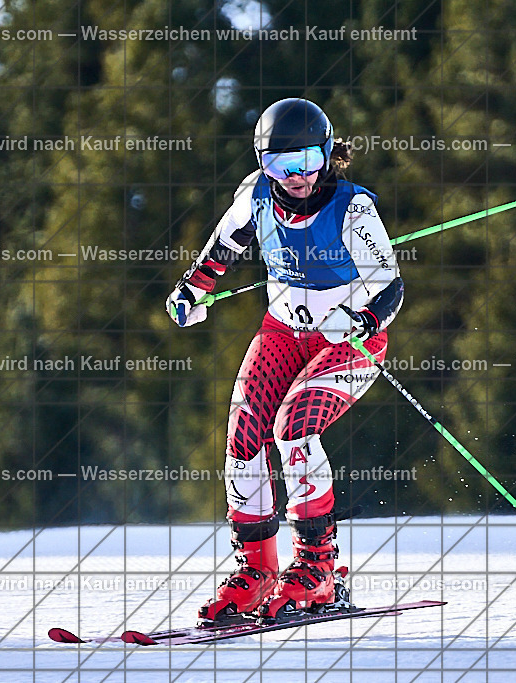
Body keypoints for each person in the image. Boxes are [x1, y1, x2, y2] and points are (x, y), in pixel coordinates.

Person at [166, 98, 404, 623]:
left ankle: (318, 569)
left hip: (346, 345)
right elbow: (222, 248)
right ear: (262, 164)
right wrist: (190, 291)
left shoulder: (353, 209)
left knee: (294, 429)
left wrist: (361, 320)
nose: (294, 178)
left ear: (327, 155)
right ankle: (257, 572)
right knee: (244, 433)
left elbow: (390, 287)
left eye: (306, 163)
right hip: (282, 333)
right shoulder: (254, 196)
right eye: (279, 166)